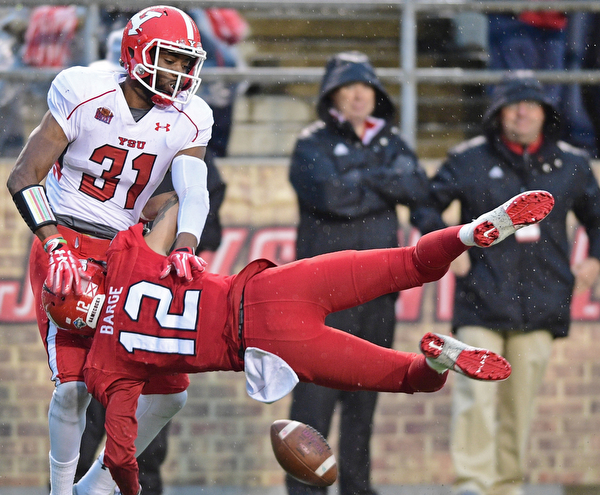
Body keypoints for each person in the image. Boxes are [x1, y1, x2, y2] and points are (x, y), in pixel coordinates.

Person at [44, 188, 554, 495]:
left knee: (407, 378)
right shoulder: (129, 261)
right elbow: (176, 201)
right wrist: (167, 236)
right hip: (272, 287)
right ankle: (470, 232)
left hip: (268, 345)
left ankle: (440, 361)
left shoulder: (108, 364)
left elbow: (122, 456)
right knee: (409, 262)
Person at [6, 6, 214, 495]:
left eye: (188, 63)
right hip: (66, 241)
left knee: (170, 393)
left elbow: (192, 193)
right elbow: (22, 176)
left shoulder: (190, 116)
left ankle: (94, 488)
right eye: (171, 59)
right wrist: (52, 242)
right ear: (137, 52)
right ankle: (60, 491)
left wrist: (184, 247)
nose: (182, 74)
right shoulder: (85, 91)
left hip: (125, 254)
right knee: (74, 387)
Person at [411, 77, 600, 495]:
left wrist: (594, 258)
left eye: (531, 105)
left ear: (544, 114)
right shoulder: (468, 159)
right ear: (498, 113)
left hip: (542, 302)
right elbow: (426, 204)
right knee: (475, 398)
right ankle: (473, 484)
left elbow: (597, 217)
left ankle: (506, 486)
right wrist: (445, 247)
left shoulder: (571, 164)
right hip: (480, 297)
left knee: (520, 404)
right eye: (513, 106)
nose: (522, 113)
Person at [287, 50, 430, 495]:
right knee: (314, 403)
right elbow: (333, 196)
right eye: (348, 87)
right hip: (324, 299)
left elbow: (418, 188)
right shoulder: (311, 143)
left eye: (364, 87)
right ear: (333, 95)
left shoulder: (391, 141)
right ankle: (306, 490)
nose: (357, 95)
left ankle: (357, 487)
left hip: (378, 296)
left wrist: (363, 177)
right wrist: (385, 180)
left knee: (364, 401)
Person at [75, 149, 227, 495]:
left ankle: (133, 486)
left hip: (160, 300)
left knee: (155, 409)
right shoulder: (119, 143)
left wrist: (174, 238)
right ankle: (79, 486)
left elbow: (209, 227)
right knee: (92, 406)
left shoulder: (191, 161)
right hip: (109, 292)